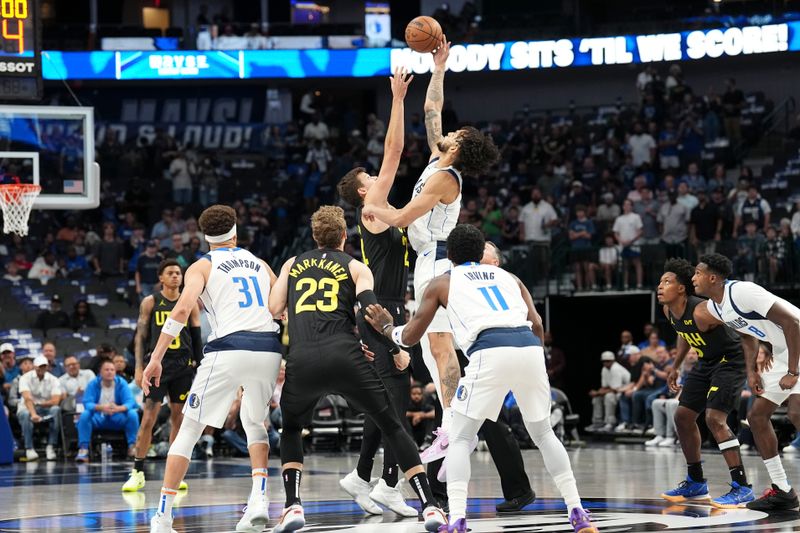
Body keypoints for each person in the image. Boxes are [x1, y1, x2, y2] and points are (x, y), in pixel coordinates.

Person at [364, 224, 598, 533]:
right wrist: (533, 360)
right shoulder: (511, 278)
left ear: (449, 255)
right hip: (529, 347)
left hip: (490, 350)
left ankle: (458, 519)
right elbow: (537, 322)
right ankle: (577, 511)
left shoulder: (442, 282)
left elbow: (408, 336)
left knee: (460, 437)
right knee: (543, 434)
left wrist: (386, 328)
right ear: (480, 253)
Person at [362, 35, 500, 473]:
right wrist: (438, 67)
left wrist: (374, 209)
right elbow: (432, 111)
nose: (448, 133)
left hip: (439, 260)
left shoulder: (446, 178)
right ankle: (454, 425)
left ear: (458, 148)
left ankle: (454, 430)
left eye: (455, 135)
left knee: (440, 349)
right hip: (427, 261)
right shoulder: (440, 158)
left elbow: (403, 216)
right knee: (431, 351)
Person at [268, 206, 446, 532]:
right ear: (344, 236)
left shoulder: (292, 264)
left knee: (292, 429)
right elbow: (371, 312)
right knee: (392, 425)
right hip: (346, 356)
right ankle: (430, 507)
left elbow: (274, 307)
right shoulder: (355, 266)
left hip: (303, 358)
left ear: (314, 236)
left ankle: (293, 505)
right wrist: (395, 349)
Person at [145, 204, 283, 533]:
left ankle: (163, 517)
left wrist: (156, 357)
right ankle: (259, 501)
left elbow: (181, 310)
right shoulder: (260, 263)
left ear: (204, 236)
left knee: (189, 429)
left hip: (229, 349)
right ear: (235, 231)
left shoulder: (202, 266)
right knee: (254, 423)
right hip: (268, 348)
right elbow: (281, 307)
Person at [336, 67, 418, 517]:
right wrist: (398, 98)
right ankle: (387, 484)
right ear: (363, 191)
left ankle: (364, 476)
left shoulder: (387, 213)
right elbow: (395, 149)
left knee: (389, 400)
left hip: (391, 308)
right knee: (397, 401)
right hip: (379, 312)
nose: (379, 177)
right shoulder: (370, 210)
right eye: (371, 177)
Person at [694, 253, 800, 511]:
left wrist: (793, 372)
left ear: (712, 277)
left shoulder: (743, 291)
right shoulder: (717, 306)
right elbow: (748, 336)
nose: (693, 278)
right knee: (756, 417)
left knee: (797, 413)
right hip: (782, 351)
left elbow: (792, 321)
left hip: (797, 343)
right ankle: (782, 490)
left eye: (697, 273)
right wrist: (752, 371)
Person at [658, 258, 756, 508]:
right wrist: (676, 365)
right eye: (660, 281)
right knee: (682, 416)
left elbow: (745, 331)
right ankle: (696, 483)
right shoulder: (669, 310)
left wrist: (754, 364)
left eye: (667, 282)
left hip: (730, 360)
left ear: (681, 288)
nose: (660, 286)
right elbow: (683, 334)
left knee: (714, 418)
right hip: (706, 360)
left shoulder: (703, 309)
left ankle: (742, 486)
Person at [123, 259, 203, 493]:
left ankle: (173, 473)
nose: (176, 276)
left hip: (183, 366)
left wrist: (201, 367)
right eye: (170, 273)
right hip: (158, 367)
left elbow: (196, 338)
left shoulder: (190, 303)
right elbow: (140, 336)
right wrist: (139, 367)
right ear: (161, 277)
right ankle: (137, 472)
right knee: (149, 418)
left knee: (178, 420)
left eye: (178, 273)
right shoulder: (150, 302)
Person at [75, 360, 140, 462]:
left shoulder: (121, 383)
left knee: (132, 414)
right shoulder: (93, 384)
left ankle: (132, 446)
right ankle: (83, 449)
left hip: (117, 417)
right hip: (99, 417)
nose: (109, 372)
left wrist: (118, 408)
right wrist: (101, 407)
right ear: (100, 372)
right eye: (106, 370)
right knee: (85, 415)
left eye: (112, 370)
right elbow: (87, 403)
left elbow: (130, 401)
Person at [17, 355, 62, 461]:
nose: (41, 369)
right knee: (25, 414)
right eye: (39, 366)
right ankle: (29, 448)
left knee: (56, 410)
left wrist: (39, 404)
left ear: (47, 367)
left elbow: (55, 400)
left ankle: (51, 446)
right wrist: (33, 414)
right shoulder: (24, 378)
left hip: (45, 408)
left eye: (43, 366)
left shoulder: (54, 379)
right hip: (27, 408)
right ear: (35, 367)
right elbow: (27, 398)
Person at [588, 351, 631, 432]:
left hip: (624, 391)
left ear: (613, 361)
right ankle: (598, 422)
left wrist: (598, 392)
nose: (605, 363)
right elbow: (605, 387)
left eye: (608, 361)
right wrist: (597, 393)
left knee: (609, 397)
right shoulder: (604, 369)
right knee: (597, 398)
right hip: (614, 391)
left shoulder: (616, 369)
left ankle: (610, 422)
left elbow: (615, 389)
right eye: (604, 361)